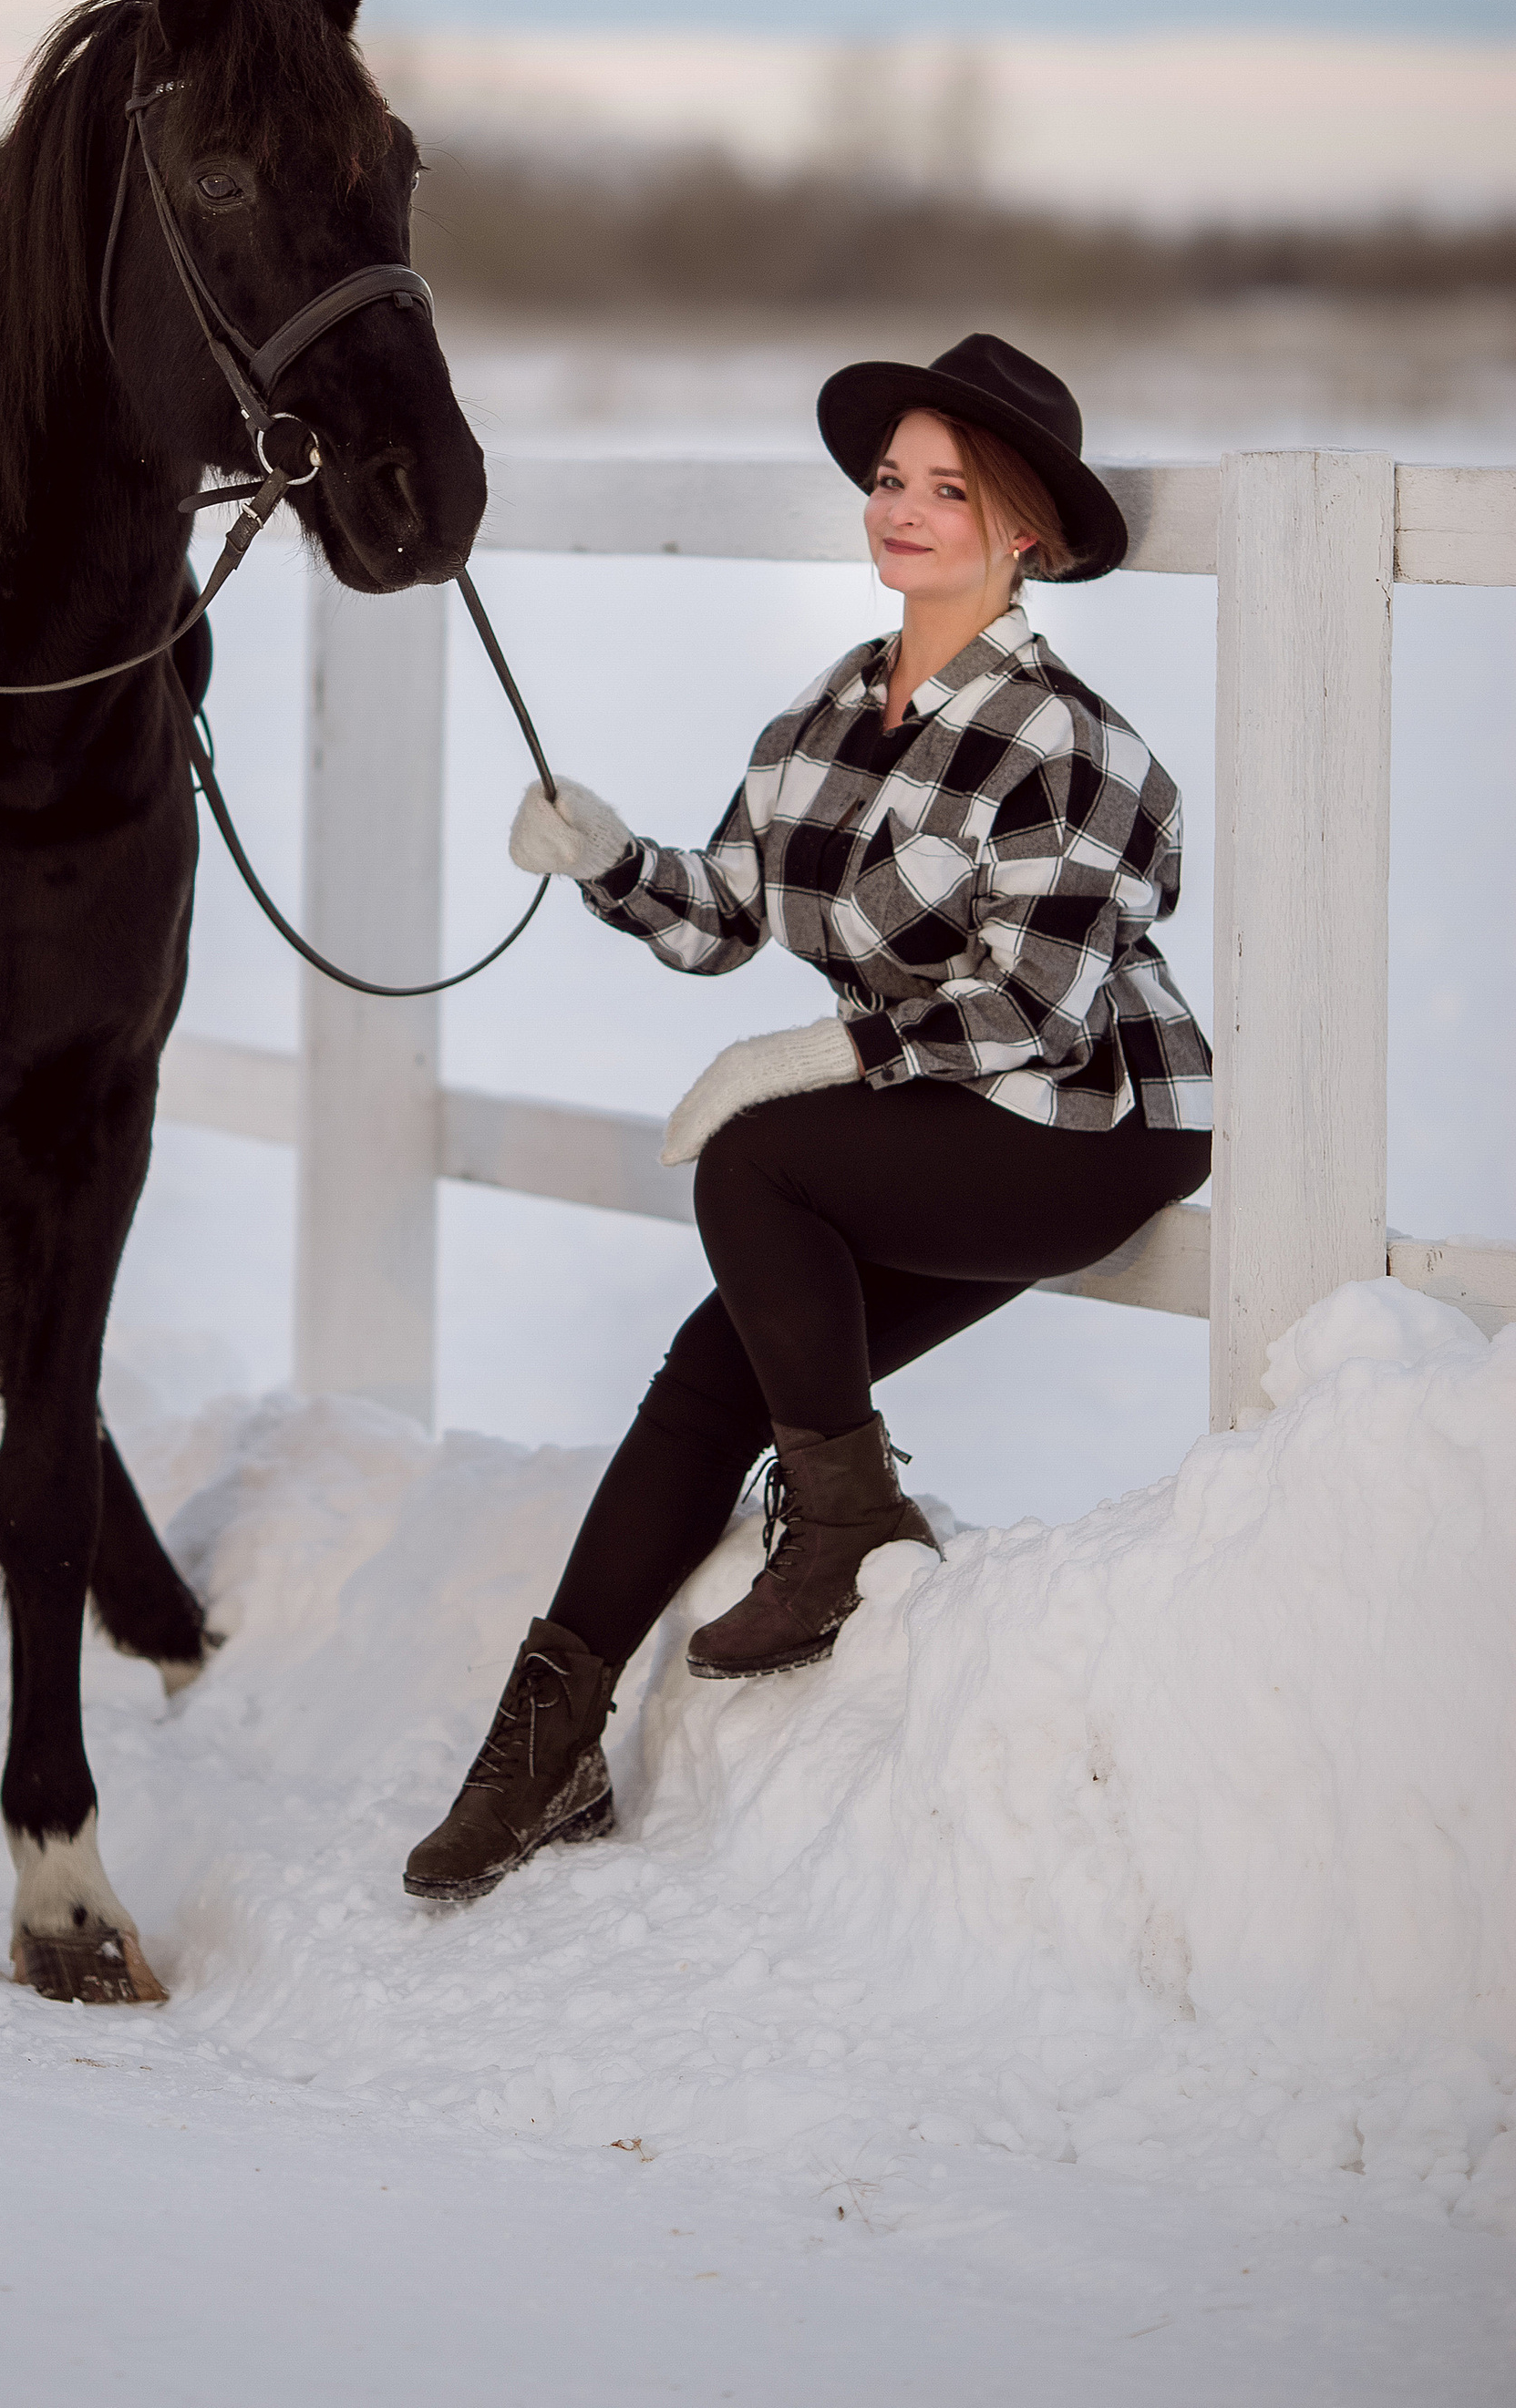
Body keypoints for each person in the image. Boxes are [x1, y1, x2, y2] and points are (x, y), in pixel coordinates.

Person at [404, 334, 1213, 1907]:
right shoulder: (826, 717)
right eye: (891, 482)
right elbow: (725, 917)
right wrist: (610, 857)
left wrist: (822, 1060)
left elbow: (1037, 1012)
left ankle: (845, 1526)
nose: (901, 513)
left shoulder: (1075, 748)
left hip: (1086, 1122)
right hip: (943, 1113)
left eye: (948, 491)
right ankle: (541, 1750)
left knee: (760, 1160)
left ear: (1025, 530)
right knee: (719, 1364)